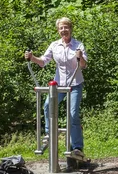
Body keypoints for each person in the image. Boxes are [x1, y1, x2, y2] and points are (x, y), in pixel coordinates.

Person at [25, 17, 88, 161]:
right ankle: (49, 134)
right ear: (58, 30)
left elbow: (83, 65)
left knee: (72, 114)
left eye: (66, 27)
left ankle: (77, 147)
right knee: (47, 106)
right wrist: (32, 57)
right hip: (59, 85)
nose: (64, 30)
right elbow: (43, 62)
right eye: (61, 28)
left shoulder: (78, 45)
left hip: (74, 84)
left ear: (71, 29)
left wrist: (80, 57)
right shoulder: (54, 45)